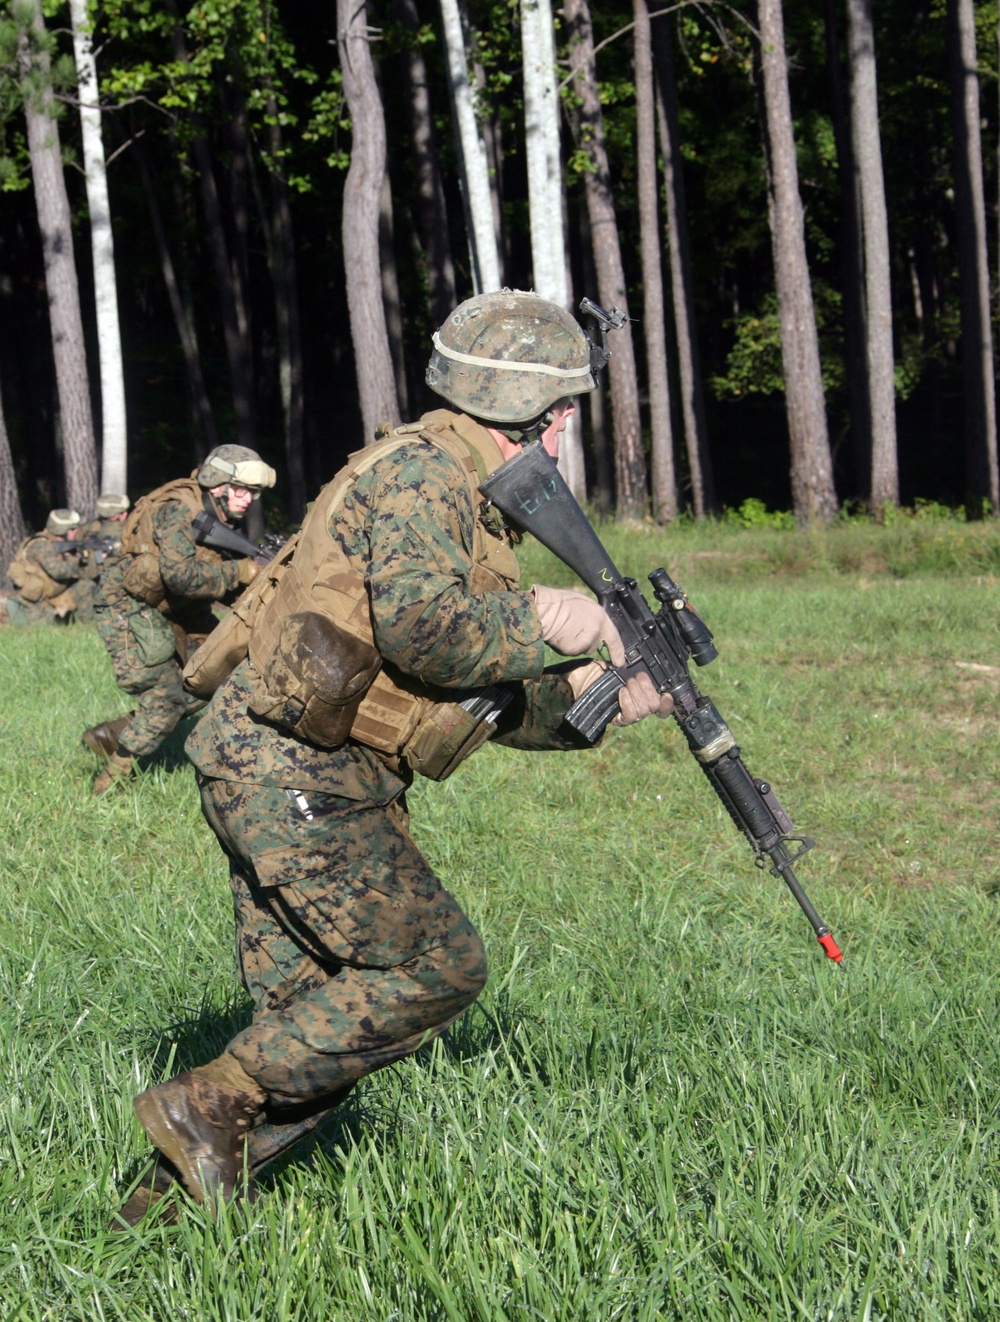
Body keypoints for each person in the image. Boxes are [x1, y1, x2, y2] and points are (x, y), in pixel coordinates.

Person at [116, 291, 672, 1225]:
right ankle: (199, 1103)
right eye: (567, 403)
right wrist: (556, 616)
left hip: (295, 768)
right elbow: (433, 635)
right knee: (436, 967)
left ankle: (157, 1228)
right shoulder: (419, 476)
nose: (572, 421)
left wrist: (591, 703)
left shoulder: (464, 492)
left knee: (318, 1033)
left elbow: (466, 691)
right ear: (541, 407)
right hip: (289, 773)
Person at [83, 446, 276, 795]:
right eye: (242, 490)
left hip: (179, 607)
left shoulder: (219, 516)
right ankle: (106, 786)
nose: (249, 500)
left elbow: (216, 580)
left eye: (254, 493)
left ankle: (113, 735)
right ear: (217, 484)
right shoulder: (176, 511)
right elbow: (181, 576)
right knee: (167, 702)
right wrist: (243, 570)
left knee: (217, 673)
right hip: (128, 606)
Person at [2, 508, 99, 626]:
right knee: (52, 626)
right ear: (62, 530)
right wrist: (78, 561)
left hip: (55, 592)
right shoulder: (40, 545)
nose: (76, 531)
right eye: (73, 529)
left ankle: (89, 626)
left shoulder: (59, 544)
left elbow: (88, 574)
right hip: (36, 601)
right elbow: (58, 571)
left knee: (87, 586)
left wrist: (96, 558)